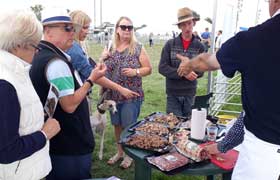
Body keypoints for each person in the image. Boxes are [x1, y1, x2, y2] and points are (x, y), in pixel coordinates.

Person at [177, 1, 280, 179]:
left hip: (263, 157)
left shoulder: (254, 39)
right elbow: (249, 114)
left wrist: (189, 64)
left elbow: (207, 62)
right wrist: (222, 146)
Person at [29, 8, 106, 180]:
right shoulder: (56, 63)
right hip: (70, 145)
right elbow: (69, 105)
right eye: (66, 28)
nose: (73, 32)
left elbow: (51, 102)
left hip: (57, 142)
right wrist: (91, 80)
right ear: (47, 30)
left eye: (73, 27)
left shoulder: (41, 54)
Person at [0, 9, 60, 180]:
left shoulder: (15, 71)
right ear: (19, 44)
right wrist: (45, 134)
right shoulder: (5, 82)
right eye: (36, 47)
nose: (36, 52)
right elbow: (6, 151)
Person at [101, 16, 152, 169]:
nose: (127, 30)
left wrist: (135, 71)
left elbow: (148, 69)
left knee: (128, 126)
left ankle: (130, 156)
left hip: (131, 95)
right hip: (113, 96)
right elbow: (101, 69)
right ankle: (120, 152)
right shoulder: (110, 47)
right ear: (117, 29)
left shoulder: (138, 47)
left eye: (130, 27)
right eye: (124, 27)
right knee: (117, 125)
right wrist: (102, 58)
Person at [66, 10, 139, 104]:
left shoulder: (137, 47)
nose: (87, 32)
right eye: (85, 27)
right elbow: (92, 75)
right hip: (78, 96)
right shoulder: (74, 48)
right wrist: (120, 89)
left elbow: (90, 68)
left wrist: (101, 61)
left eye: (130, 27)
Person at [158, 7, 205, 118]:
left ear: (194, 23)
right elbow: (162, 68)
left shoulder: (200, 47)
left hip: (190, 93)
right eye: (183, 25)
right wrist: (185, 73)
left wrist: (191, 70)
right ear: (179, 26)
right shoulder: (170, 44)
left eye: (189, 23)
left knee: (189, 127)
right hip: (172, 93)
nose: (187, 27)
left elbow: (201, 70)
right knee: (174, 126)